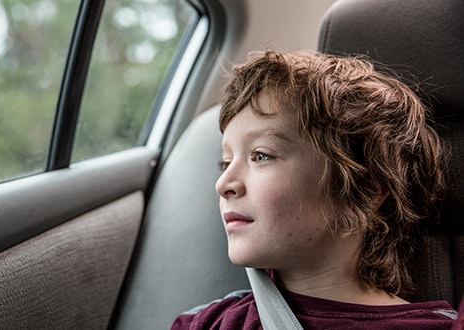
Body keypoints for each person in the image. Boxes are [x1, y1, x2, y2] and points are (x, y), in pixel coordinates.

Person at [171, 50, 458, 329]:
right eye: (225, 163)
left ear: (366, 188)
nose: (223, 184)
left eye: (260, 156)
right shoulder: (206, 322)